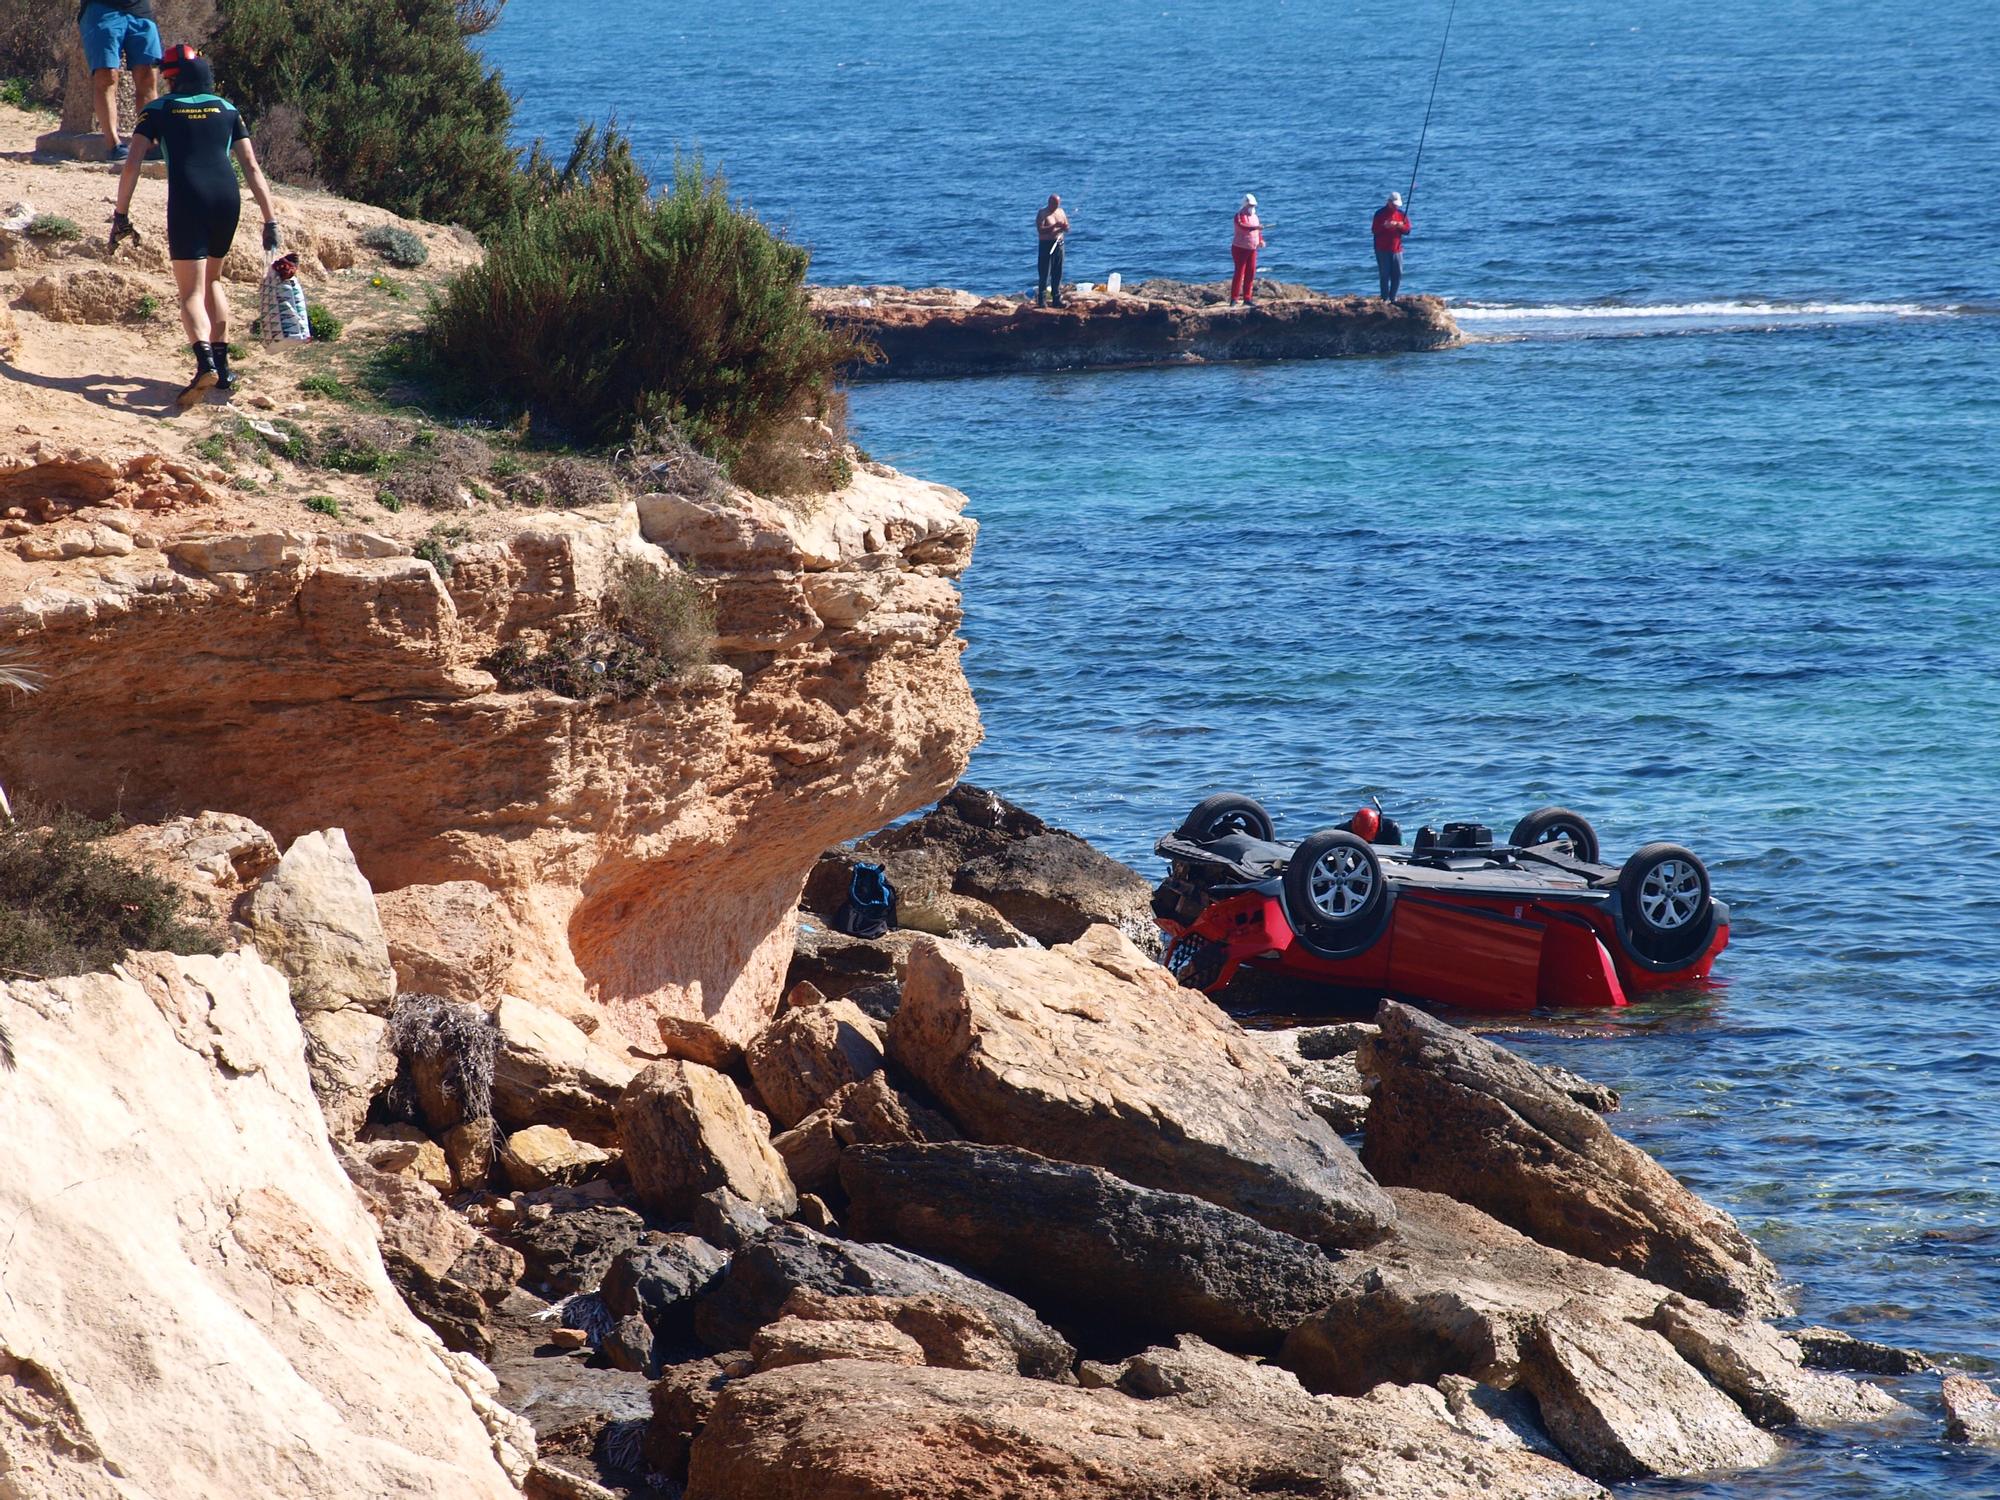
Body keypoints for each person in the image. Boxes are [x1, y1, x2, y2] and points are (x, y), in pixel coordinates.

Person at [109, 46, 281, 405]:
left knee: (190, 291)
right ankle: (223, 367)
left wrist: (121, 214)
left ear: (172, 78)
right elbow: (251, 167)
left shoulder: (157, 110)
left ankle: (204, 363)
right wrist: (270, 219)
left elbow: (132, 164)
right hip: (227, 199)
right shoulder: (227, 109)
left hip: (189, 198)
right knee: (213, 281)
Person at [77, 0, 162, 163]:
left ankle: (150, 143)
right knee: (106, 75)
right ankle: (113, 145)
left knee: (147, 76)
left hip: (140, 10)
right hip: (102, 8)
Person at [1372, 191, 1412, 302]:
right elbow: (1374, 230)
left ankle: (1393, 297)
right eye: (1394, 204)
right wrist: (1385, 226)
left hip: (1397, 249)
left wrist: (1400, 226)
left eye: (1397, 205)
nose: (1395, 207)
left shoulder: (1401, 214)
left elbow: (1407, 231)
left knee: (1397, 274)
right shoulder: (1379, 214)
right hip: (1382, 248)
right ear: (1388, 202)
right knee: (1384, 274)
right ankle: (1384, 298)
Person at [1230, 194, 1265, 306]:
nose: (1252, 207)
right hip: (1240, 248)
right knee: (1239, 273)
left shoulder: (1255, 216)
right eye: (1250, 205)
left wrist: (1260, 240)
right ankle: (1234, 298)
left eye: (1253, 205)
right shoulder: (1239, 215)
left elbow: (1258, 231)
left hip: (1252, 248)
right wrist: (1255, 228)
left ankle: (1247, 298)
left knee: (1251, 272)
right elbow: (1242, 226)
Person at [1035, 194, 1069, 308]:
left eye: (1057, 204)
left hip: (1059, 244)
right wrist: (1055, 226)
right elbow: (1041, 230)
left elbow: (1067, 228)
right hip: (1046, 245)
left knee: (1057, 272)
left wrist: (1064, 227)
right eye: (1053, 204)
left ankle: (1056, 298)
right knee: (1045, 273)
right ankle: (1042, 300)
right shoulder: (1042, 213)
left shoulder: (1061, 212)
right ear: (1049, 202)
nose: (1055, 206)